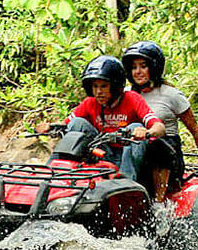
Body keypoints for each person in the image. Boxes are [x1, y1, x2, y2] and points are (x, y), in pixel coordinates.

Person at [121, 40, 198, 203]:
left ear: (153, 68)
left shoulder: (171, 95)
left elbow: (194, 130)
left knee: (155, 144)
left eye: (143, 66)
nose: (138, 72)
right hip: (133, 152)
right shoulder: (125, 95)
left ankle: (159, 206)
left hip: (165, 154)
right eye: (134, 67)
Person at [37, 55, 165, 181]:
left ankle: (125, 182)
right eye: (95, 87)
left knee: (134, 127)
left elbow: (159, 127)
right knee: (78, 123)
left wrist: (146, 132)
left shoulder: (132, 98)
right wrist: (50, 127)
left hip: (129, 156)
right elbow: (66, 125)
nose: (98, 92)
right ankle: (52, 173)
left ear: (115, 86)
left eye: (103, 86)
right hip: (103, 152)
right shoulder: (90, 102)